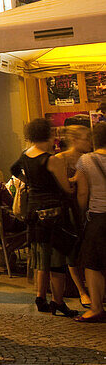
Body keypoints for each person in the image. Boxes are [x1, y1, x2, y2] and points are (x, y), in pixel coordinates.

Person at [15, 118, 79, 316]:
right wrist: (76, 179)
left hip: (34, 212)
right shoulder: (52, 159)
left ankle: (40, 297)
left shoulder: (26, 155)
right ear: (47, 135)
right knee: (57, 261)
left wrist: (32, 183)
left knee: (40, 258)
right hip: (53, 213)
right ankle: (58, 302)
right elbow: (66, 188)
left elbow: (14, 170)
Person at [57, 124, 95, 307]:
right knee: (73, 252)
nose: (89, 142)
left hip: (89, 207)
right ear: (74, 140)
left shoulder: (90, 158)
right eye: (85, 138)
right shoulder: (61, 159)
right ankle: (82, 290)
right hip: (71, 210)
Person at [73, 122, 106, 322]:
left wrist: (80, 213)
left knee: (92, 264)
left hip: (98, 216)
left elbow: (83, 192)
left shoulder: (86, 160)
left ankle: (96, 307)